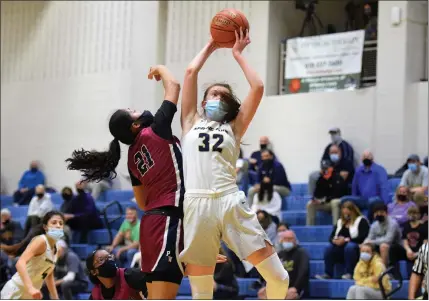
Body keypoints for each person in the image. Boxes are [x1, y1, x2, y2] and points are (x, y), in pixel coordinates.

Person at [179, 29, 289, 300]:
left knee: (279, 277)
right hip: (196, 204)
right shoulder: (190, 120)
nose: (217, 98)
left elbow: (259, 87)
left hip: (230, 201)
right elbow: (191, 73)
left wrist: (237, 54)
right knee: (201, 294)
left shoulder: (235, 126)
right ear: (204, 102)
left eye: (223, 96)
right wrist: (211, 45)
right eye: (213, 94)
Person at [65, 65, 187, 299]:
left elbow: (142, 202)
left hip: (150, 224)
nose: (137, 109)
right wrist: (159, 68)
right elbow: (174, 87)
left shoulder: (132, 158)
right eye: (132, 110)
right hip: (167, 220)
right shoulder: (156, 129)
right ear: (134, 124)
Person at [0, 211, 65, 299]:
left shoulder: (58, 248)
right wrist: (30, 288)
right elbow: (20, 263)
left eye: (61, 223)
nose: (58, 225)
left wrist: (55, 298)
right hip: (16, 290)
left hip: (31, 295)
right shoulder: (41, 241)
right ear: (45, 227)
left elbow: (48, 274)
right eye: (54, 222)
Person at [316, 201, 370, 280]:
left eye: (348, 212)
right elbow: (331, 236)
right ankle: (328, 273)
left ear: (353, 211)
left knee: (350, 246)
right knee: (328, 248)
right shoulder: (340, 222)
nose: (346, 215)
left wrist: (346, 240)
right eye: (344, 212)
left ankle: (349, 273)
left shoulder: (361, 220)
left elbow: (363, 236)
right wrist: (334, 241)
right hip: (340, 248)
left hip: (355, 247)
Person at [258, 230, 309, 300]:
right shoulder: (280, 254)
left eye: (290, 239)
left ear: (295, 240)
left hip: (295, 288)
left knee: (289, 296)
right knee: (263, 294)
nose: (288, 241)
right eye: (285, 239)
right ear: (281, 241)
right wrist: (265, 286)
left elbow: (304, 272)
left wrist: (296, 288)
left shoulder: (302, 253)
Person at [389, 206, 428, 280]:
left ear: (419, 215)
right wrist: (408, 250)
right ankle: (394, 273)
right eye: (410, 213)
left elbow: (425, 245)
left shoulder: (424, 227)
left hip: (420, 253)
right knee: (393, 248)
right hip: (409, 252)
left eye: (415, 213)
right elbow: (405, 241)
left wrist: (416, 254)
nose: (412, 215)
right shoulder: (405, 226)